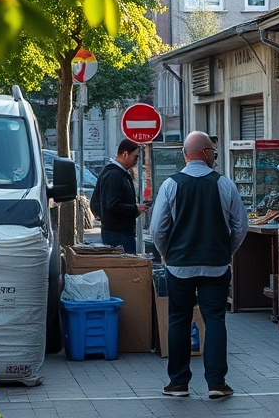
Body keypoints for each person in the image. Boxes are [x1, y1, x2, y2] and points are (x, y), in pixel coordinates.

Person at [150, 131, 246, 399]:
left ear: (185, 154)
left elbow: (157, 228)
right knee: (215, 320)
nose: (215, 155)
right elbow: (240, 226)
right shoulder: (224, 184)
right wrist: (227, 252)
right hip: (216, 266)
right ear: (204, 153)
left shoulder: (171, 185)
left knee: (179, 320)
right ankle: (217, 382)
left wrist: (167, 253)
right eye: (213, 150)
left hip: (179, 266)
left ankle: (178, 383)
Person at [93, 139, 148, 254]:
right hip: (118, 234)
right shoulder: (114, 175)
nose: (136, 161)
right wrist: (134, 209)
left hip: (117, 232)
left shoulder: (116, 173)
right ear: (125, 154)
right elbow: (112, 205)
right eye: (136, 157)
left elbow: (96, 204)